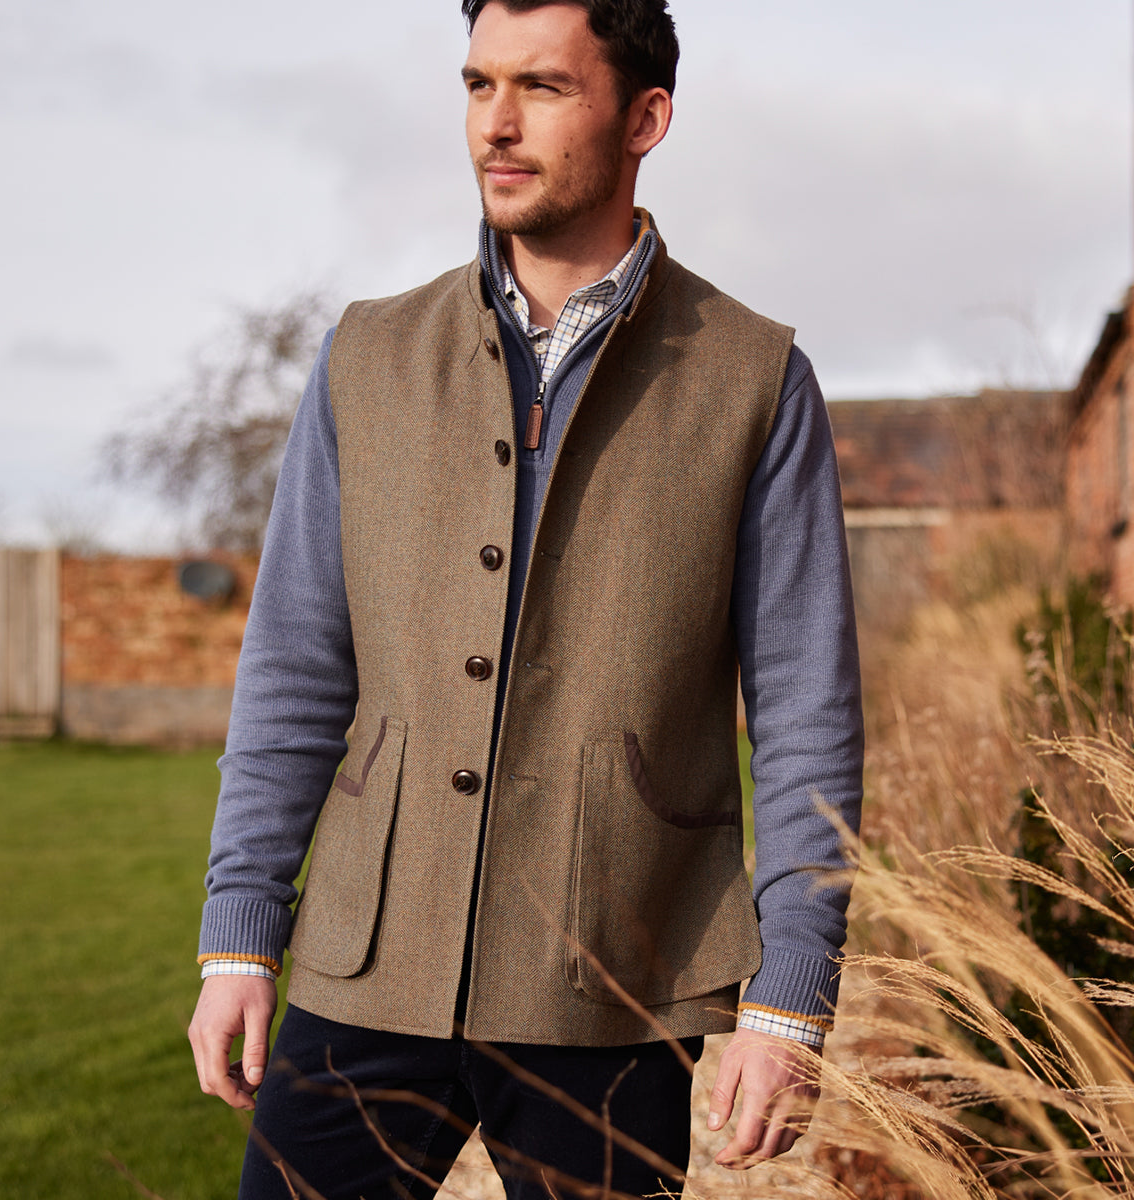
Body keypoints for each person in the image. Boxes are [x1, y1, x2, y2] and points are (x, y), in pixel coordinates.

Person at [187, 1, 864, 1196]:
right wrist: (239, 930)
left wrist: (791, 1003)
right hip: (367, 967)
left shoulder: (756, 381)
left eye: (543, 88)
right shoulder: (367, 357)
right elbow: (294, 664)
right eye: (478, 84)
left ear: (646, 116)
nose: (495, 126)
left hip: (614, 970)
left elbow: (808, 713)